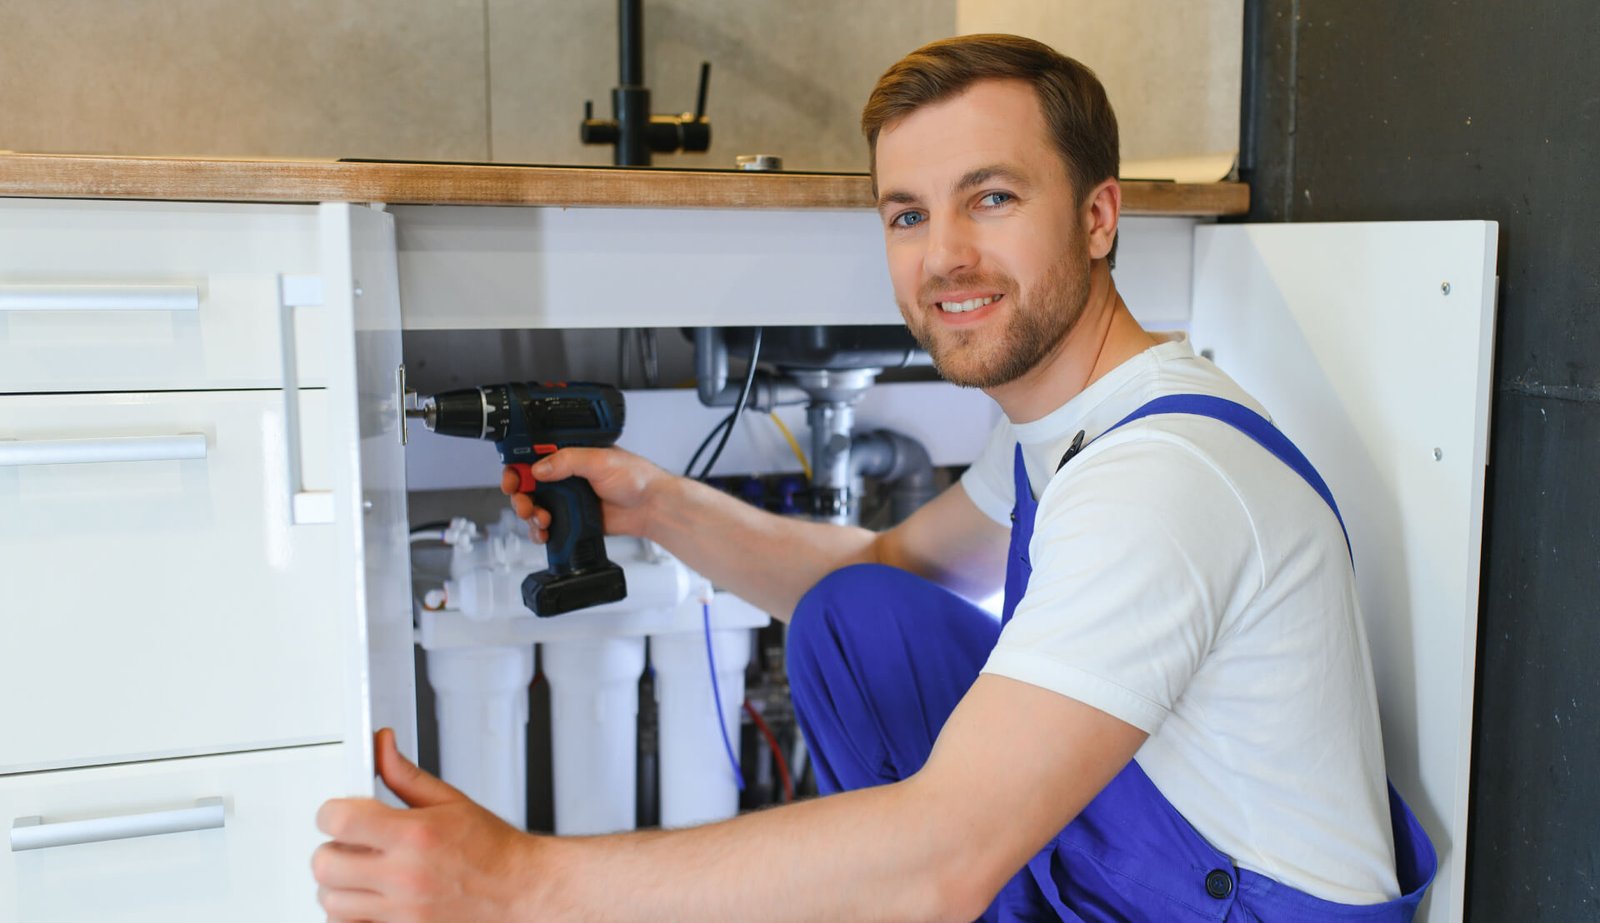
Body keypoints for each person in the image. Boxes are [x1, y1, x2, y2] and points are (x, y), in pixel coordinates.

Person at [312, 34, 1435, 922]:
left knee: (921, 850)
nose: (943, 253)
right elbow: (880, 568)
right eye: (908, 212)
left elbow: (944, 853)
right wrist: (654, 502)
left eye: (991, 197)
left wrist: (519, 884)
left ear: (1098, 217)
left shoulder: (1160, 480)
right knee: (862, 616)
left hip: (1234, 906)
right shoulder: (1067, 421)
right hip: (1149, 860)